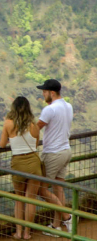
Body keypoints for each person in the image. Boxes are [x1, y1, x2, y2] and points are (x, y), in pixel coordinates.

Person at [0, 96, 42, 240]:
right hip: (33, 162)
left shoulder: (8, 124)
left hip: (18, 163)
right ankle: (27, 233)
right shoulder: (33, 125)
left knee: (19, 199)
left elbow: (2, 144)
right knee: (30, 199)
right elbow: (35, 144)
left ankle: (18, 232)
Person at [36, 78, 74, 232]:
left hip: (53, 153)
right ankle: (56, 226)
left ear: (52, 93)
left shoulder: (49, 109)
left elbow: (36, 128)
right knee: (58, 189)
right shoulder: (68, 106)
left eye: (44, 92)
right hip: (66, 151)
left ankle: (68, 217)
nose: (43, 95)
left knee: (41, 190)